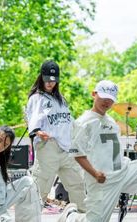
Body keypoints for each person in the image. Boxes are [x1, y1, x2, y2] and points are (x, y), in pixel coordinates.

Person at [56, 80, 137, 222]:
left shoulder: (111, 121)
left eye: (111, 99)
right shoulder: (83, 122)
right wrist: (95, 174)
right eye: (103, 97)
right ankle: (70, 216)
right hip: (103, 179)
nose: (107, 101)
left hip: (124, 171)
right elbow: (78, 154)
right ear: (94, 94)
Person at [25, 60, 86, 212]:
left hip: (66, 147)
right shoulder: (36, 98)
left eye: (54, 80)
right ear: (41, 77)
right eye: (47, 80)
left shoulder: (61, 99)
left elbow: (68, 120)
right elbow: (32, 118)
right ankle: (30, 219)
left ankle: (85, 215)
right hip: (48, 146)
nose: (50, 83)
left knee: (77, 183)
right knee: (41, 185)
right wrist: (37, 131)